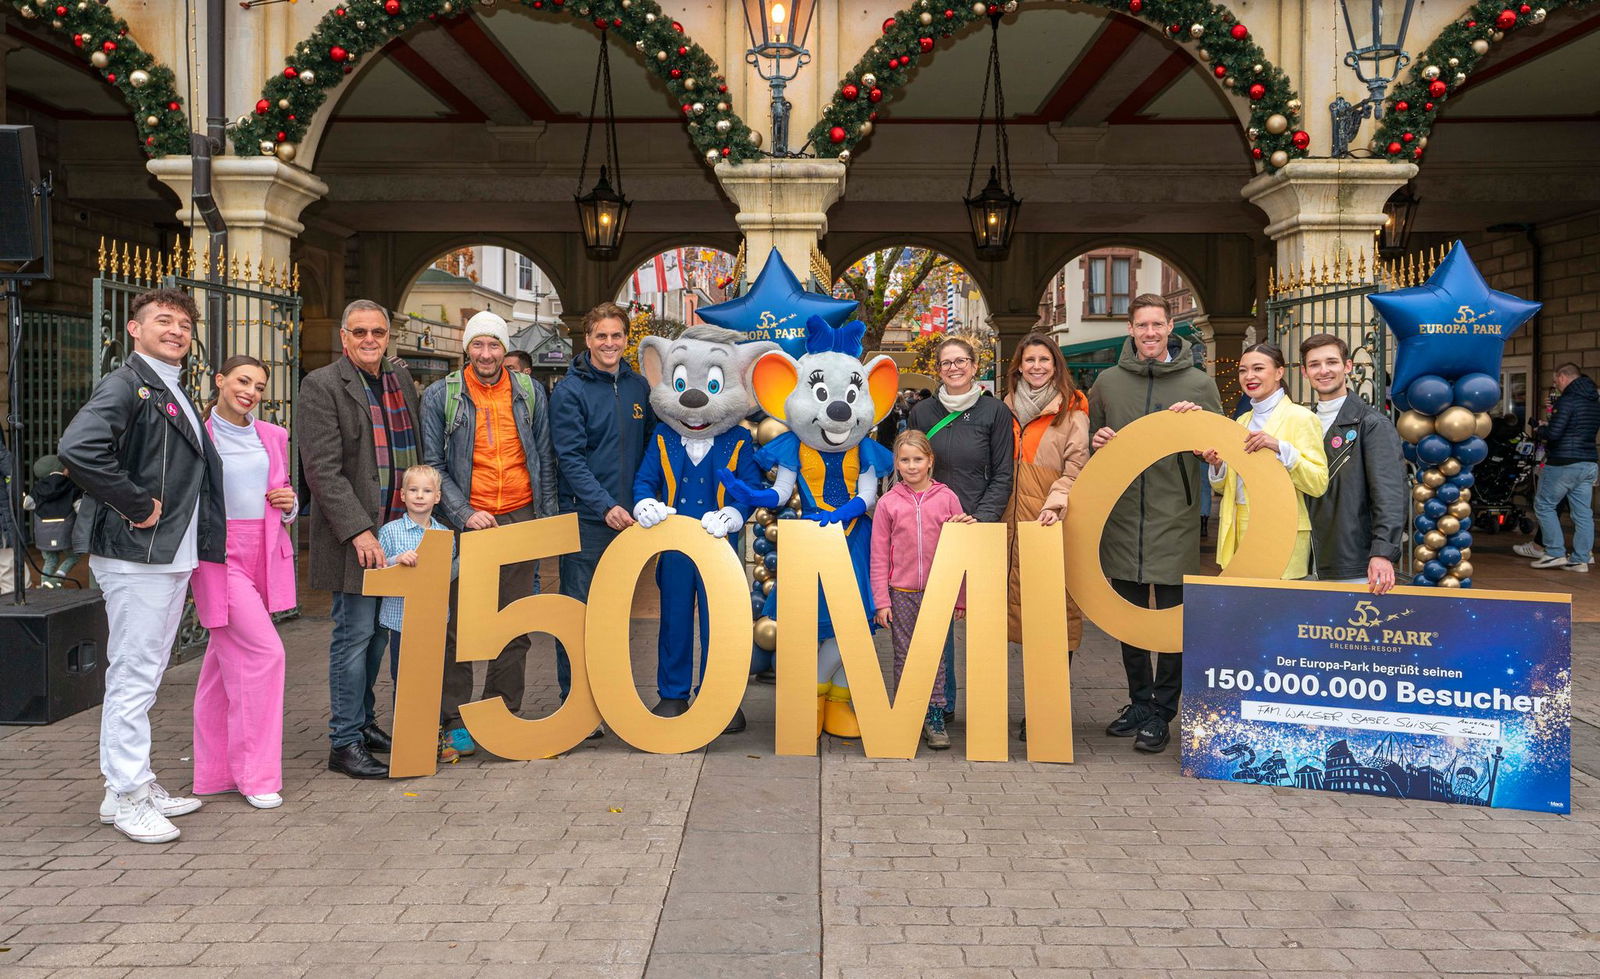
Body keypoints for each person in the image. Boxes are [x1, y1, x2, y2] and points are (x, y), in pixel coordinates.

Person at [59, 287, 225, 843]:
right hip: (136, 555)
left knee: (145, 673)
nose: (176, 330)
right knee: (133, 676)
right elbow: (79, 448)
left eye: (183, 323)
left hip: (165, 554)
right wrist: (135, 502)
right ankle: (128, 793)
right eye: (162, 321)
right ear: (135, 329)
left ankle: (127, 786)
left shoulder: (168, 384)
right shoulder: (127, 382)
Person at [1087, 293, 1221, 754]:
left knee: (1171, 622)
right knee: (1127, 621)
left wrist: (1201, 434)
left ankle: (1164, 711)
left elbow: (1219, 448)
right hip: (1121, 517)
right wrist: (1097, 440)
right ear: (1131, 329)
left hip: (1174, 519)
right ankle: (1139, 703)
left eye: (1157, 325)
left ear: (1171, 328)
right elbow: (1091, 444)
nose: (1149, 333)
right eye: (1141, 325)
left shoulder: (1200, 384)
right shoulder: (1106, 383)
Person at [420, 311, 557, 758]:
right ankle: (454, 722)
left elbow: (544, 459)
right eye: (478, 345)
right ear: (466, 348)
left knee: (514, 624)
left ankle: (501, 716)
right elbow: (433, 465)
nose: (485, 354)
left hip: (520, 517)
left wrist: (545, 521)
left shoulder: (530, 391)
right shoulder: (441, 395)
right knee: (458, 627)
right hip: (469, 524)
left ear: (505, 349)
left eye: (493, 345)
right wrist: (464, 513)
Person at [298, 298, 422, 779]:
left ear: (388, 336)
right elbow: (322, 471)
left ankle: (365, 722)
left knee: (378, 639)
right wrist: (358, 530)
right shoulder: (322, 385)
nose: (369, 340)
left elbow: (416, 453)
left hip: (398, 534)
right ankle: (344, 741)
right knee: (354, 637)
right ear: (344, 338)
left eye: (377, 332)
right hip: (358, 539)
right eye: (359, 332)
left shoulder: (400, 381)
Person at [188, 356, 298, 810]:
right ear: (220, 381)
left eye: (258, 384)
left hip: (264, 551)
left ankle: (214, 773)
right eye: (242, 381)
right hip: (218, 557)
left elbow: (283, 495)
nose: (250, 391)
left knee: (220, 667)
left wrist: (290, 504)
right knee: (265, 654)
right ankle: (256, 775)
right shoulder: (195, 435)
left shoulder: (273, 435)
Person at [549, 301, 654, 702]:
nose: (609, 343)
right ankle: (573, 700)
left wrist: (644, 501)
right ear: (588, 339)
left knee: (615, 615)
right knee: (579, 613)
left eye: (616, 335)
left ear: (626, 339)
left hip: (631, 523)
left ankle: (609, 697)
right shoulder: (570, 391)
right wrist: (604, 505)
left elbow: (649, 450)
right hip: (588, 521)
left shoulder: (638, 387)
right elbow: (570, 459)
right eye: (601, 336)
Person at [906, 336, 1013, 721]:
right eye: (947, 362)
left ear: (974, 365)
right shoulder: (922, 413)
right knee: (938, 620)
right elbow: (910, 464)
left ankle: (985, 707)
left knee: (981, 618)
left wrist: (981, 519)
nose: (954, 368)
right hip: (932, 530)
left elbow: (1003, 473)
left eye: (961, 361)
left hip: (977, 525)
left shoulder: (994, 412)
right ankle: (941, 702)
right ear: (938, 369)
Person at [1001, 334, 1089, 743]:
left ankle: (1046, 709)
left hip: (1050, 520)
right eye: (1029, 359)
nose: (1037, 366)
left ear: (1056, 365)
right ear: (1018, 365)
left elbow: (1076, 467)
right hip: (1007, 527)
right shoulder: (1003, 408)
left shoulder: (1072, 410)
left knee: (1055, 617)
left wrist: (1055, 502)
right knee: (1012, 617)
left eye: (1045, 359)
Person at [870, 430, 972, 751]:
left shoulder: (947, 498)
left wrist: (960, 596)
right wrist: (881, 601)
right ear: (896, 464)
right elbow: (878, 554)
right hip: (900, 592)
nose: (911, 466)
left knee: (936, 656)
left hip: (938, 592)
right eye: (905, 460)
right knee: (904, 655)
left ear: (930, 461)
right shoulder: (888, 503)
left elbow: (960, 550)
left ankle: (934, 715)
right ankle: (907, 712)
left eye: (918, 459)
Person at [1202, 343, 1328, 580]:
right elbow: (1226, 487)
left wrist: (1281, 448)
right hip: (1238, 528)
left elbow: (1318, 483)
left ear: (1279, 373)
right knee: (1244, 609)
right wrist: (1218, 465)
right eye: (1243, 370)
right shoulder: (1241, 421)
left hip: (1282, 529)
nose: (1249, 376)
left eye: (1258, 368)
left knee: (1278, 611)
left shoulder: (1301, 418)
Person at [1298, 333, 1405, 592]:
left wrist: (1382, 552)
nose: (1323, 371)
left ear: (1347, 367)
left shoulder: (1372, 423)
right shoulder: (1302, 422)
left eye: (1331, 362)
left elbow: (1389, 495)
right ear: (1304, 372)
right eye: (1314, 364)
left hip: (1353, 561)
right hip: (1305, 559)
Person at [376, 465, 460, 760]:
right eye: (413, 490)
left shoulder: (444, 535)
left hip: (433, 620)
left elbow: (447, 574)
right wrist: (397, 560)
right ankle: (408, 740)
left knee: (432, 679)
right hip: (401, 622)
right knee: (405, 680)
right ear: (402, 495)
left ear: (437, 497)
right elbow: (378, 567)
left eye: (426, 491)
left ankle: (433, 739)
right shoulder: (389, 532)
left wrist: (464, 561)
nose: (419, 496)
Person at [1516, 363, 1600, 572]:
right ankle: (1581, 558)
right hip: (1588, 462)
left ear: (1563, 377)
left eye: (1555, 381)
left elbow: (1554, 434)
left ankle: (1554, 552)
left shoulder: (1568, 400)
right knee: (1583, 513)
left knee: (1544, 505)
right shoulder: (1594, 400)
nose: (1555, 386)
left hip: (1563, 462)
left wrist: (1539, 428)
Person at [26, 454, 82, 587]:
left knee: (50, 559)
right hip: (65, 532)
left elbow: (27, 504)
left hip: (43, 533)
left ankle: (45, 585)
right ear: (62, 469)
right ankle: (57, 578)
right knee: (73, 556)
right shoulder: (71, 486)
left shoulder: (38, 488)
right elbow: (80, 508)